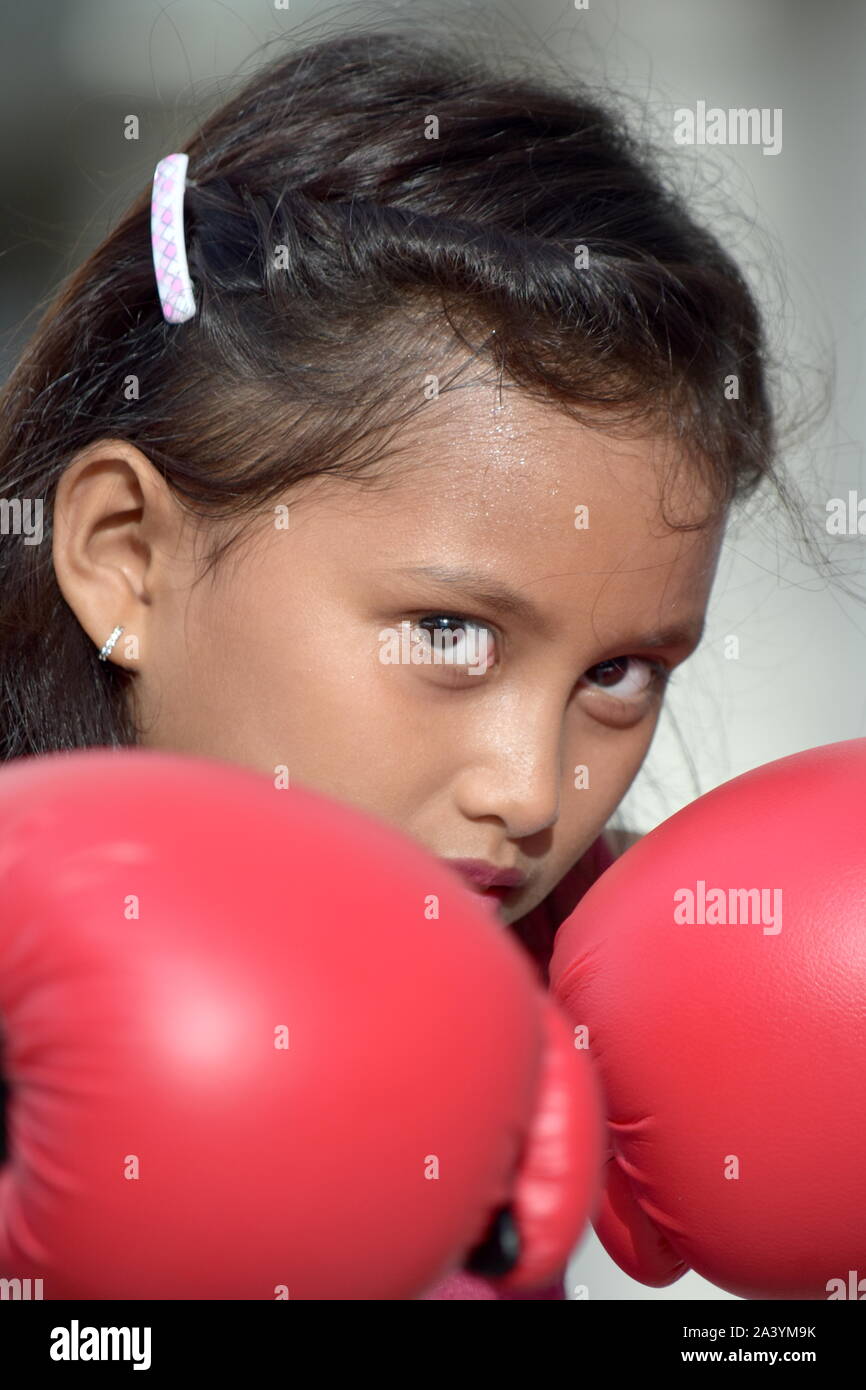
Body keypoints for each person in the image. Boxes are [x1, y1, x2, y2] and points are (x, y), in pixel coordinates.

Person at [0, 25, 799, 1298]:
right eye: (448, 633)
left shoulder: (597, 1031)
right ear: (123, 558)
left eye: (621, 674)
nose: (531, 794)